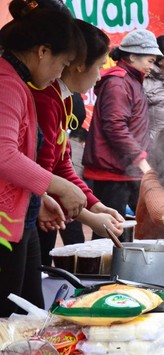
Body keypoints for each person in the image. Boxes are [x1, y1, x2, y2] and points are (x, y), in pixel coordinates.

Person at [0, 0, 88, 316]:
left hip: (19, 219)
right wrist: (59, 187)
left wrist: (39, 195)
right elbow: (4, 155)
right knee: (10, 321)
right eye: (62, 64)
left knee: (29, 316)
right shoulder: (6, 83)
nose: (60, 74)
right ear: (43, 51)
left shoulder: (17, 81)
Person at [33, 19, 125, 264]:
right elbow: (41, 173)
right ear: (77, 66)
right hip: (32, 210)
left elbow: (61, 164)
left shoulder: (62, 99)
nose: (98, 78)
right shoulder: (44, 99)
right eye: (97, 68)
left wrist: (96, 206)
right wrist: (89, 217)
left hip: (45, 206)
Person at [81, 29, 162, 232]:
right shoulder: (118, 84)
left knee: (137, 230)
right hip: (112, 174)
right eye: (150, 60)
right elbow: (115, 127)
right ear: (132, 56)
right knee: (110, 234)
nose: (152, 67)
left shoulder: (133, 81)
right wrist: (141, 160)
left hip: (127, 171)